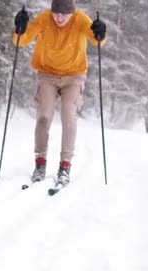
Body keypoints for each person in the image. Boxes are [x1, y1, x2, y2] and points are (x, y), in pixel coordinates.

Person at [12, 0, 106, 185]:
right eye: (56, 13)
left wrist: (100, 32)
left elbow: (97, 41)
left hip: (74, 77)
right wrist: (19, 28)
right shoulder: (44, 18)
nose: (59, 17)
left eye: (64, 13)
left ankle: (65, 166)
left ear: (72, 12)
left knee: (68, 116)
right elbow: (21, 40)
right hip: (47, 75)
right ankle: (40, 163)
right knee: (43, 117)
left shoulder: (80, 19)